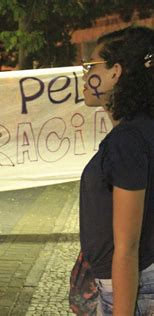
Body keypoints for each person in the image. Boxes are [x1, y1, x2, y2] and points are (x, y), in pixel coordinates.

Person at [78, 26, 154, 314]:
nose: (84, 76)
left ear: (115, 72)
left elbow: (128, 247)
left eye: (91, 66)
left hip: (131, 289)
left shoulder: (128, 141)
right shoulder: (141, 130)